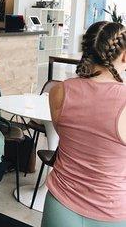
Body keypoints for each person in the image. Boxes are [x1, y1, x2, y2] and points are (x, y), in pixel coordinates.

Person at [43, 21, 126, 227]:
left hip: (59, 207)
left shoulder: (59, 91)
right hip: (111, 211)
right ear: (124, 55)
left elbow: (65, 136)